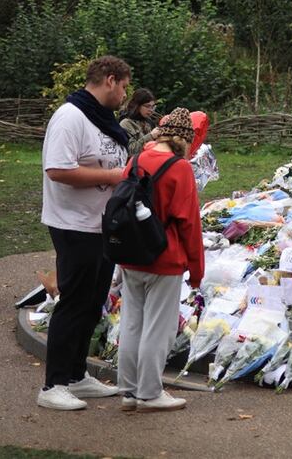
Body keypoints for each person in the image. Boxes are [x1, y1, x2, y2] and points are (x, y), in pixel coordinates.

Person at [38, 55, 130, 411]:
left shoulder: (99, 118)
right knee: (74, 303)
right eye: (123, 86)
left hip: (100, 224)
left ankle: (76, 376)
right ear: (110, 80)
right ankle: (53, 384)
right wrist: (114, 177)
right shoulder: (70, 117)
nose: (124, 94)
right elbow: (58, 170)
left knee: (92, 303)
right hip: (73, 225)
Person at [117, 107, 204, 413]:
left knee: (131, 323)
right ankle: (150, 393)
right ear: (184, 140)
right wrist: (196, 271)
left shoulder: (135, 160)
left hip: (131, 255)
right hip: (164, 258)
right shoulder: (180, 168)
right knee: (158, 327)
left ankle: (127, 391)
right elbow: (190, 224)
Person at [119, 89, 160, 155]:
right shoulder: (126, 123)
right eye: (147, 106)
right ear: (137, 105)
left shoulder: (150, 121)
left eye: (153, 107)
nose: (151, 110)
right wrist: (151, 136)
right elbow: (130, 151)